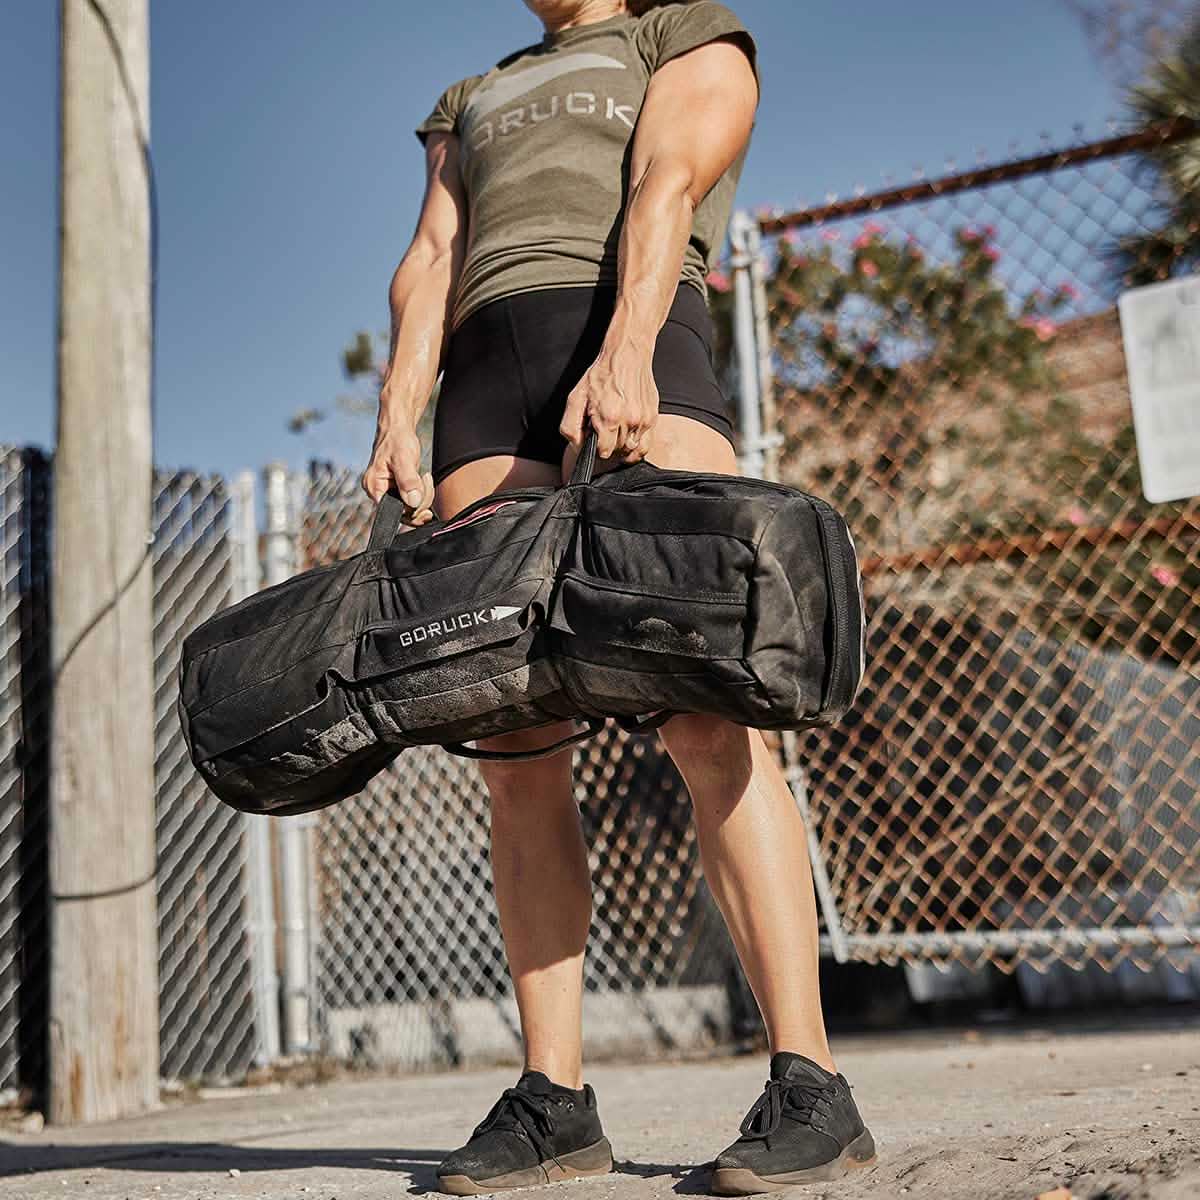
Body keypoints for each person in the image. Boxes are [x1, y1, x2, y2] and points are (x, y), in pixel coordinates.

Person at [362, 1, 875, 1193]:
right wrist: (398, 411)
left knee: (707, 719)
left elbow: (667, 182)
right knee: (513, 746)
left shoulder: (682, 32)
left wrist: (630, 345)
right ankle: (554, 1102)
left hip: (635, 337)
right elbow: (434, 255)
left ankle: (811, 1083)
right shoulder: (470, 96)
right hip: (487, 387)